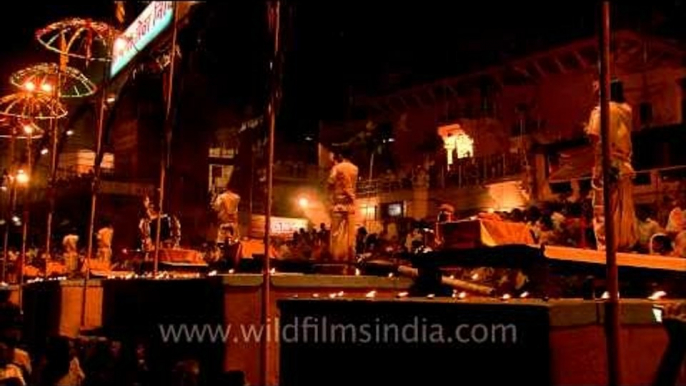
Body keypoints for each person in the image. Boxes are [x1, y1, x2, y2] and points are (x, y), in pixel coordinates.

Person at [585, 80, 637, 251]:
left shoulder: (602, 111)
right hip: (624, 163)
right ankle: (622, 243)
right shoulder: (626, 110)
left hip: (608, 163)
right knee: (623, 208)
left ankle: (608, 247)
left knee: (604, 208)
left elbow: (594, 137)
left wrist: (599, 164)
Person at [327, 149, 358, 268]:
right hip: (350, 203)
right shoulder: (355, 168)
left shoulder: (337, 168)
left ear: (340, 156)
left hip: (338, 204)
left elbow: (330, 182)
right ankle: (351, 257)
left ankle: (334, 258)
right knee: (351, 234)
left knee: (335, 233)